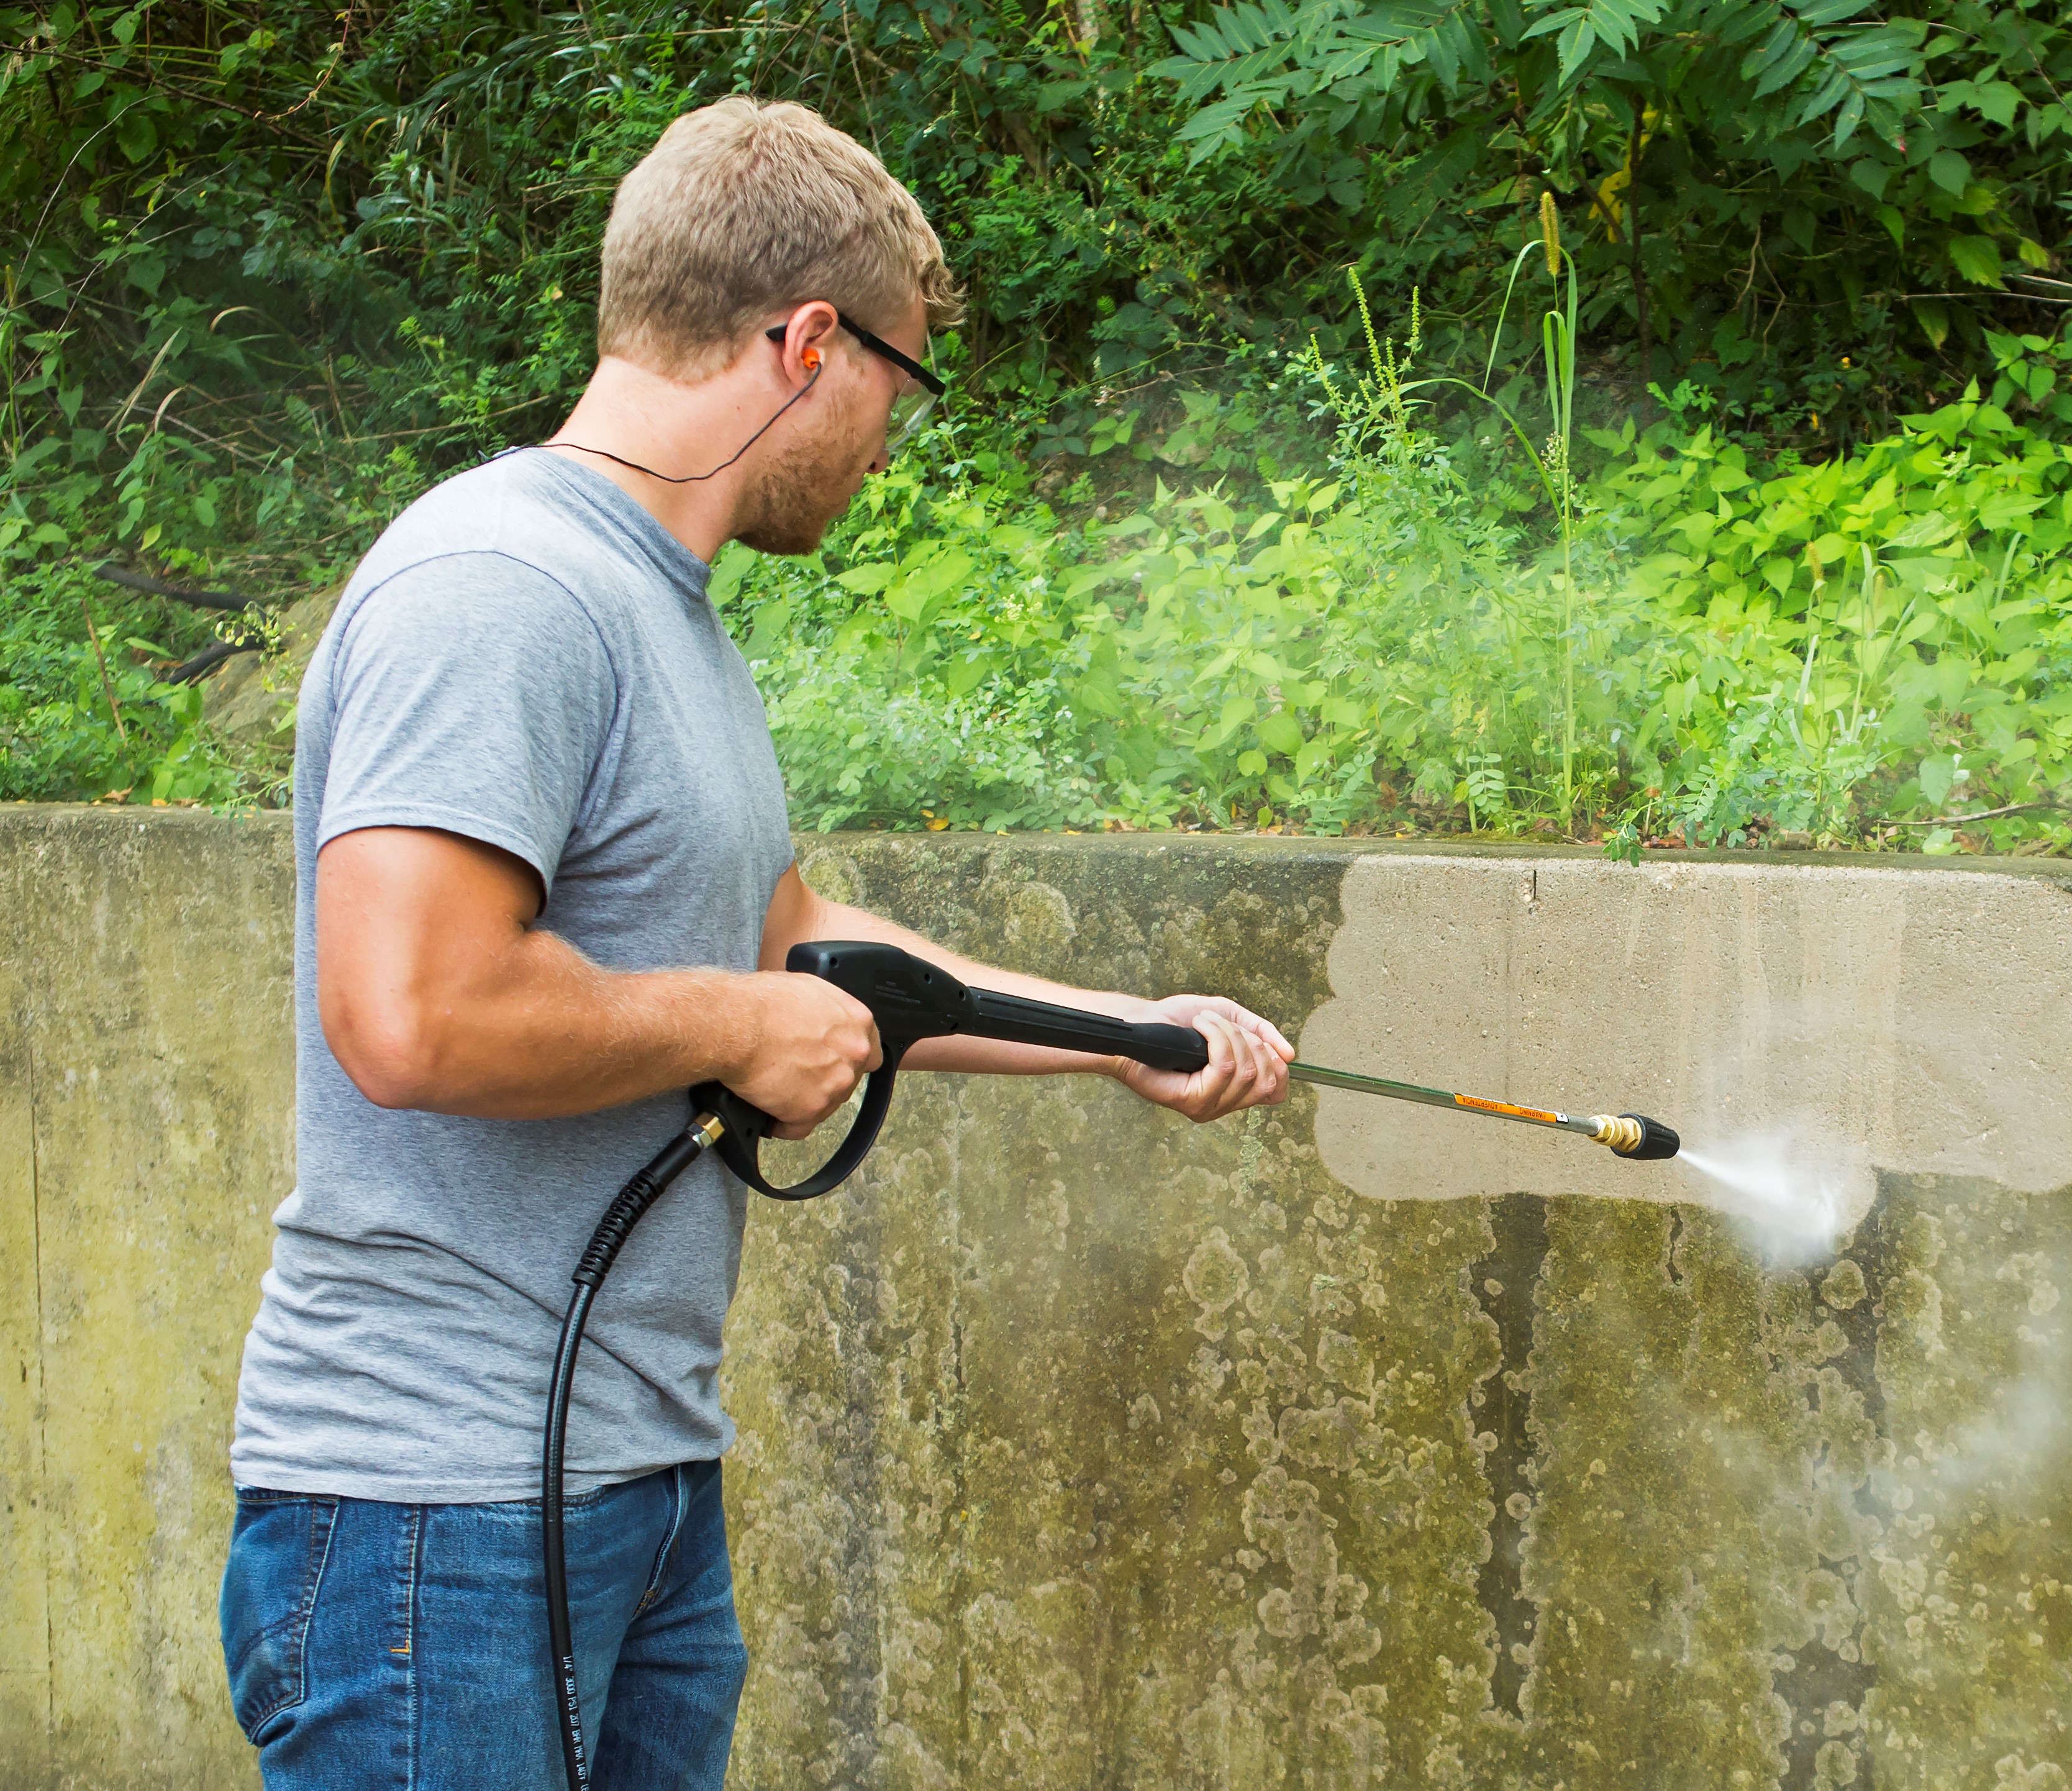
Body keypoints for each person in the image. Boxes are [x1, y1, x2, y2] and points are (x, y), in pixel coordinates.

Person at [216, 96, 1291, 1790]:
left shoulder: (660, 615)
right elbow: (407, 1010)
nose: (889, 440)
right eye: (894, 383)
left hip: (630, 1486)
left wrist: (1126, 1031)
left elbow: (795, 940)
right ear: (806, 342)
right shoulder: (500, 587)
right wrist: (728, 1021)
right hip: (438, 1517)